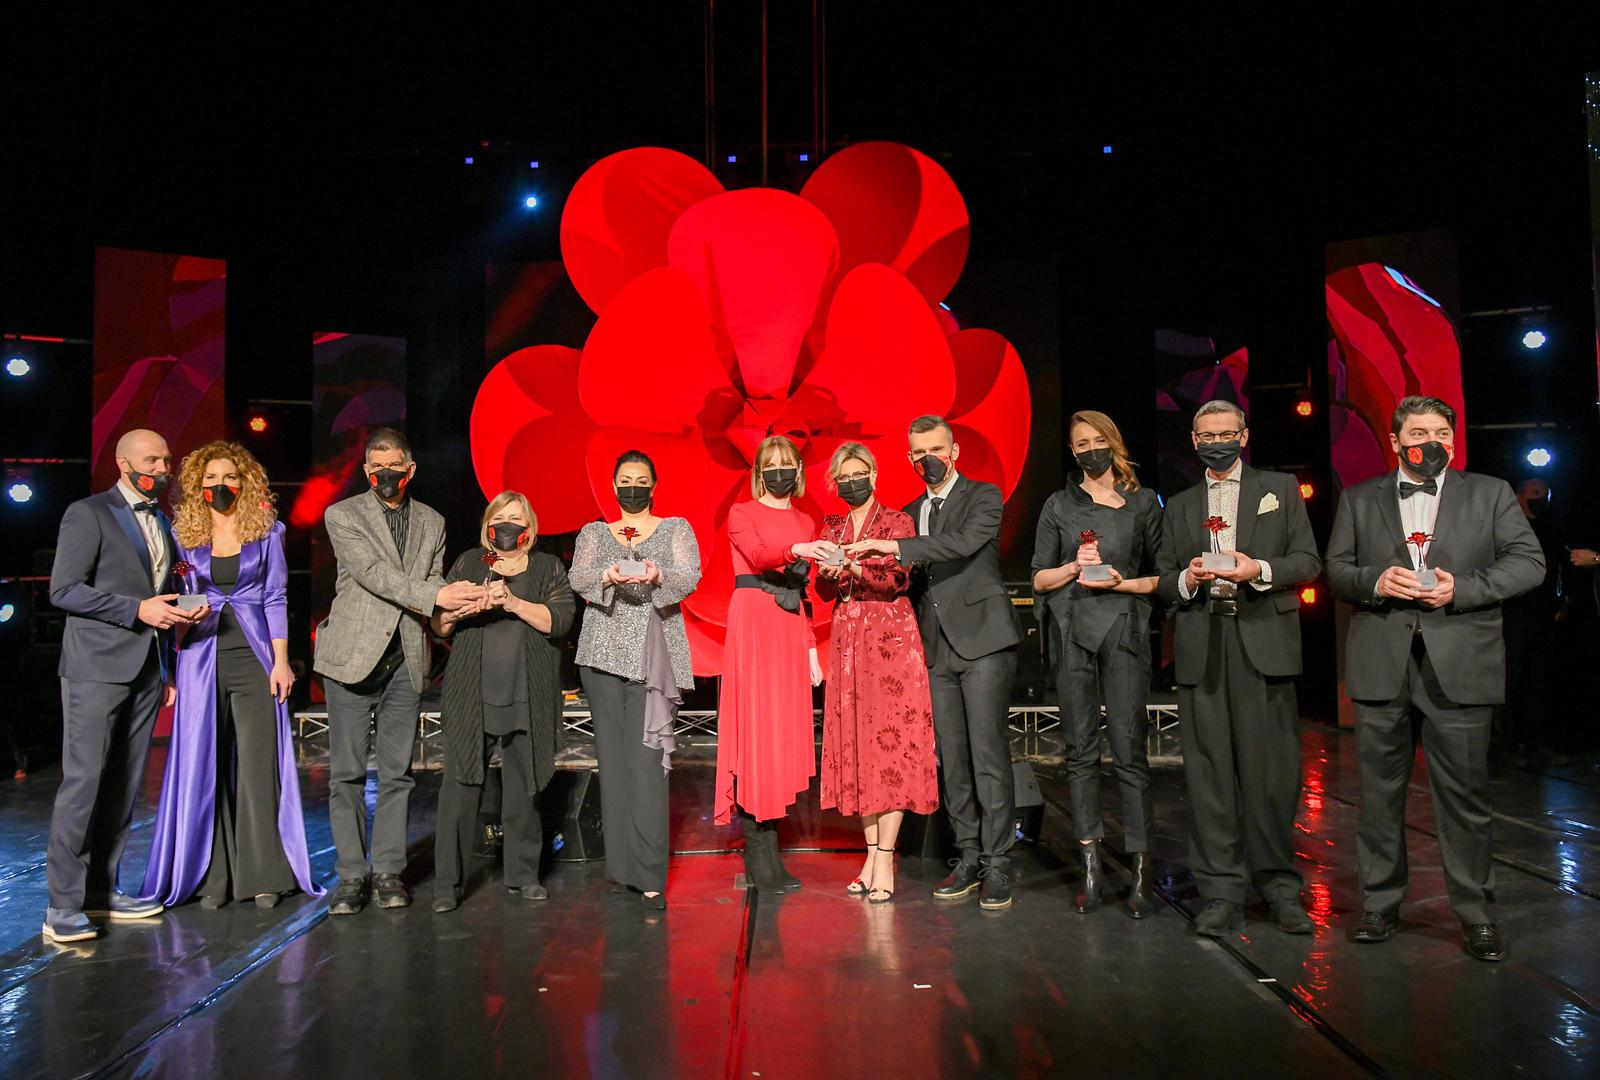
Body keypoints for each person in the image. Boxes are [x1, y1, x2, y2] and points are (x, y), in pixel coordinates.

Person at [1326, 395, 1544, 961]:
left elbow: (1529, 562)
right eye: (1419, 433)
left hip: (1461, 664)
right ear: (1396, 441)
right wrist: (1377, 581)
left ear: (1453, 439)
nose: (1431, 442)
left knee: (1466, 799)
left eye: (1442, 433)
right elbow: (1337, 571)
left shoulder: (1490, 492)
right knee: (1378, 797)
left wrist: (1461, 589)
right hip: (1382, 665)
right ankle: (1379, 905)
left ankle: (1477, 916)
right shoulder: (1359, 497)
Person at [1155, 400, 1321, 938]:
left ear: (1244, 436)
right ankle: (1221, 891)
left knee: (1271, 775)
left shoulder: (1280, 489)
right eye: (1206, 436)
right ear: (1193, 440)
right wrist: (1186, 578)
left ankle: (1279, 888)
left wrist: (1259, 569)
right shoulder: (1180, 504)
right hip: (1203, 644)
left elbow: (1308, 561)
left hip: (1263, 640)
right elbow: (1163, 576)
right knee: (1209, 776)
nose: (1216, 442)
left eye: (1226, 433)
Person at [846, 415, 1019, 911]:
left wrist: (895, 546)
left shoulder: (983, 496)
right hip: (934, 648)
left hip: (983, 641)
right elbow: (906, 581)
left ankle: (998, 863)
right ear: (909, 458)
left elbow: (962, 543)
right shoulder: (909, 513)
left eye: (936, 449)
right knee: (953, 759)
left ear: (954, 450)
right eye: (919, 453)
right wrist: (855, 568)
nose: (929, 460)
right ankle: (967, 856)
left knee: (987, 754)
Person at [140, 442, 323, 909]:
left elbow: (276, 597)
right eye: (210, 479)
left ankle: (263, 875)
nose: (219, 485)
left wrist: (281, 661)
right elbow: (177, 591)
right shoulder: (183, 535)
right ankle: (212, 876)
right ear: (197, 485)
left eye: (229, 477)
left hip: (255, 658)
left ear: (245, 483)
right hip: (200, 657)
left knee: (258, 766)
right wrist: (188, 618)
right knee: (207, 762)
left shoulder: (268, 532)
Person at [313, 428, 484, 915]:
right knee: (346, 775)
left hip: (405, 661)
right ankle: (351, 876)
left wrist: (454, 606)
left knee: (397, 774)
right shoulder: (343, 515)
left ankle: (388, 872)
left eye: (394, 467)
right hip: (350, 658)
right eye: (376, 467)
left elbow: (431, 581)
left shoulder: (432, 521)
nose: (385, 474)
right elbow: (372, 574)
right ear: (367, 471)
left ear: (410, 470)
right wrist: (438, 595)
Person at [45, 429, 207, 942]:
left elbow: (160, 593)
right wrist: (136, 610)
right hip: (95, 668)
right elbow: (64, 590)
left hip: (145, 668)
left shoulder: (161, 519)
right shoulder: (89, 513)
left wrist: (174, 642)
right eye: (150, 460)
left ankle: (101, 891)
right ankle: (62, 906)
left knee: (122, 785)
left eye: (165, 459)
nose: (161, 468)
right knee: (84, 783)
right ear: (123, 463)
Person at [1031, 411, 1167, 918]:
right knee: (1080, 750)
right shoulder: (1058, 505)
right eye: (1080, 444)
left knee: (1130, 748)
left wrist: (1122, 583)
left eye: (1096, 441)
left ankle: (1140, 868)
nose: (1089, 450)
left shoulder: (1142, 502)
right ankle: (1090, 864)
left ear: (1113, 442)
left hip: (1124, 627)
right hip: (1071, 631)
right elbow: (1038, 578)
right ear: (1072, 451)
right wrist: (1073, 566)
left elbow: (1165, 575)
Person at [569, 451, 702, 911]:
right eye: (625, 480)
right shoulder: (594, 533)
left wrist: (658, 574)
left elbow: (690, 576)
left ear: (654, 485)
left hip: (653, 658)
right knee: (612, 764)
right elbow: (579, 577)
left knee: (647, 765)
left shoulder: (675, 528)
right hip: (602, 656)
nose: (633, 487)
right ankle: (622, 869)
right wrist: (606, 575)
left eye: (641, 480)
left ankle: (649, 876)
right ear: (613, 486)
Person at [430, 491, 574, 912]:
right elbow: (439, 624)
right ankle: (448, 884)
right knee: (459, 790)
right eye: (499, 518)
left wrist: (512, 602)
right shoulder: (470, 563)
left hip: (526, 692)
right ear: (487, 525)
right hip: (472, 692)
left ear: (528, 528)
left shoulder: (547, 567)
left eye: (515, 519)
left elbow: (560, 620)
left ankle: (523, 875)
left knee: (523, 788)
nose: (506, 526)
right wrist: (460, 610)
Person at [814, 442, 939, 904]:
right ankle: (870, 856)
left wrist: (853, 565)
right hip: (848, 637)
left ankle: (886, 856)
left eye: (859, 473)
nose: (852, 482)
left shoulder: (897, 522)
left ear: (874, 474)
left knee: (892, 745)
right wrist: (829, 574)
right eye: (844, 477)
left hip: (890, 635)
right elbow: (821, 589)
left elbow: (897, 579)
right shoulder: (832, 525)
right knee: (860, 747)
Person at [715, 435, 833, 892]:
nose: (780, 471)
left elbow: (801, 592)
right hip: (754, 622)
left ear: (798, 471)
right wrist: (797, 550)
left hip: (787, 627)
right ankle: (757, 851)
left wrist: (810, 649)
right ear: (760, 471)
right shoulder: (741, 512)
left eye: (787, 464)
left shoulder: (805, 519)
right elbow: (762, 556)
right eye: (772, 464)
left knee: (779, 734)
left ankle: (771, 851)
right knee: (754, 732)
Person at [1495, 478, 1568, 767]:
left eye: (1546, 494)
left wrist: (1563, 603)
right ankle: (1506, 746)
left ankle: (1535, 746)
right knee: (1510, 682)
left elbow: (1561, 568)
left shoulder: (1552, 529)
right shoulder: (1508, 530)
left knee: (1539, 684)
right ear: (1519, 496)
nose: (1542, 499)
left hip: (1545, 617)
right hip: (1515, 616)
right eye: (1536, 493)